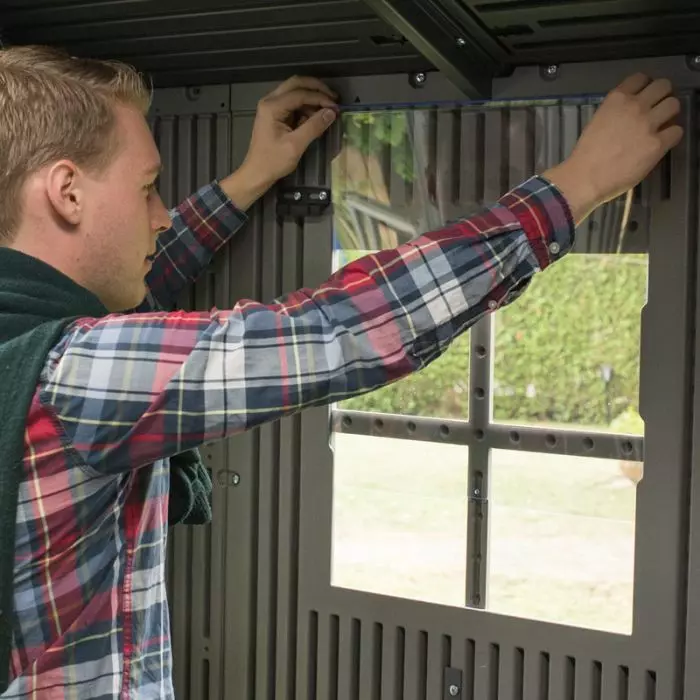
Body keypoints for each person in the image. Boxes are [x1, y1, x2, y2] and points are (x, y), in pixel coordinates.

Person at [0, 44, 682, 699]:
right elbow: (338, 330)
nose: (159, 216)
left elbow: (132, 268)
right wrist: (578, 185)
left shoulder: (20, 334)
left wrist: (252, 175)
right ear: (67, 193)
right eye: (149, 188)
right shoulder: (70, 379)